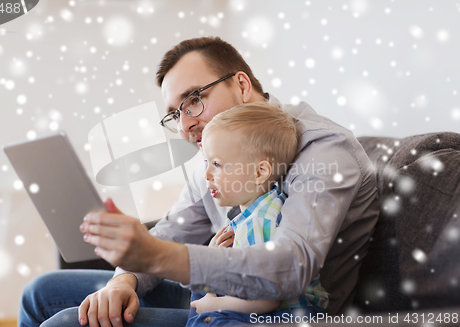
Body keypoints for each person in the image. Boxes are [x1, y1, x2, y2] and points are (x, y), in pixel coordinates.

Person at [19, 36, 379, 327]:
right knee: (40, 292)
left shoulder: (323, 149)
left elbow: (291, 266)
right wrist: (124, 279)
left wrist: (160, 257)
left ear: (241, 84)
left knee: (67, 322)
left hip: (272, 314)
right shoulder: (214, 152)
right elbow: (173, 230)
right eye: (174, 115)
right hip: (218, 294)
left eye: (194, 100)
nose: (185, 124)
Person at [186, 102, 329, 326]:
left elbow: (267, 298)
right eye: (207, 163)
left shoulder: (260, 221)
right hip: (273, 311)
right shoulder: (262, 209)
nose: (206, 175)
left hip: (286, 317)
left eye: (217, 164)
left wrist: (215, 304)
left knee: (204, 319)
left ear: (260, 172)